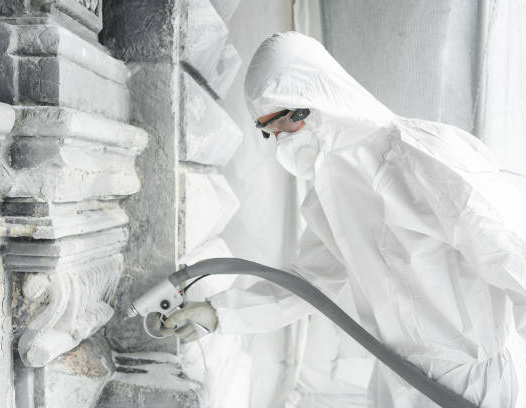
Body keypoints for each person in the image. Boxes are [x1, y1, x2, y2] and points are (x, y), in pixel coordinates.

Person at [159, 31, 526, 407]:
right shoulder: (330, 191)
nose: (280, 138)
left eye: (282, 123)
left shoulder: (420, 156)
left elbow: (511, 252)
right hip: (398, 377)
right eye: (269, 131)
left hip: (474, 384)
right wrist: (220, 313)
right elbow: (309, 282)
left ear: (313, 99)